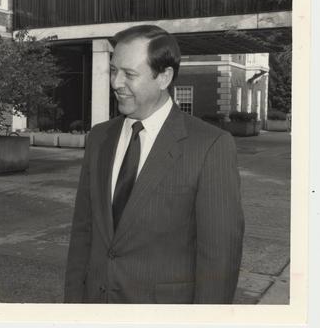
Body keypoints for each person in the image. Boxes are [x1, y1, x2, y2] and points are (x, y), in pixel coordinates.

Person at [64, 25, 244, 304]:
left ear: (164, 77)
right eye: (113, 70)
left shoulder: (210, 146)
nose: (115, 82)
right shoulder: (100, 138)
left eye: (129, 74)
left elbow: (219, 264)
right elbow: (82, 236)